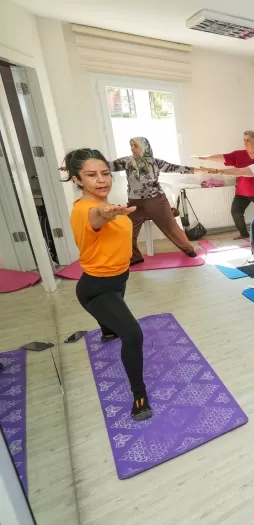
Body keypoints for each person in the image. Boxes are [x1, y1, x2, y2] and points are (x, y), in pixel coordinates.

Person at [65, 148, 152, 421]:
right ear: (77, 180)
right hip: (96, 288)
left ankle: (107, 331)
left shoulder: (109, 204)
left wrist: (115, 212)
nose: (101, 180)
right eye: (91, 175)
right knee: (133, 335)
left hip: (118, 279)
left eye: (104, 173)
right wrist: (107, 213)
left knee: (115, 312)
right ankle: (139, 395)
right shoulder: (86, 210)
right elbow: (97, 216)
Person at [112, 137, 200, 265]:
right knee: (128, 229)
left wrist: (197, 170)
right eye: (131, 146)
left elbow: (174, 168)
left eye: (135, 146)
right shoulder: (126, 161)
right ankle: (135, 257)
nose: (132, 148)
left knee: (170, 226)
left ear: (144, 147)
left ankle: (188, 250)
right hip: (135, 203)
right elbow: (107, 166)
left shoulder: (155, 162)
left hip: (156, 200)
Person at [196, 130, 254, 239]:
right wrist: (207, 157)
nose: (245, 142)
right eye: (244, 140)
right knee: (236, 213)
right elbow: (224, 157)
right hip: (241, 192)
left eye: (248, 140)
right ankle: (244, 234)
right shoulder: (238, 155)